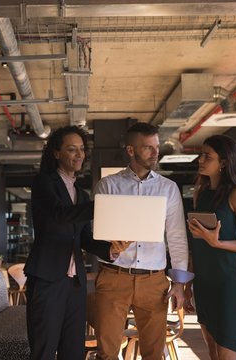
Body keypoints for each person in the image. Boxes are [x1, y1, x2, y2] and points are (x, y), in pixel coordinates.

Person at [24, 125, 125, 360]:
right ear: (56, 153)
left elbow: (84, 238)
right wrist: (104, 205)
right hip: (47, 278)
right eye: (72, 149)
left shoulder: (82, 194)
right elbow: (59, 214)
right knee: (44, 350)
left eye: (81, 149)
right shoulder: (43, 183)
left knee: (73, 351)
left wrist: (109, 249)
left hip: (75, 283)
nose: (79, 154)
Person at [93, 122, 191, 360]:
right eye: (148, 148)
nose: (155, 152)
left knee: (154, 354)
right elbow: (97, 234)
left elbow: (177, 236)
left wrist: (179, 283)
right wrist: (110, 249)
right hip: (113, 278)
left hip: (154, 282)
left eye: (156, 147)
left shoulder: (168, 189)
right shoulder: (108, 185)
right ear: (130, 150)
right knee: (106, 353)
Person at [185, 134, 236, 360]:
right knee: (213, 351)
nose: (201, 160)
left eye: (208, 156)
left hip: (229, 282)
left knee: (226, 352)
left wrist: (218, 243)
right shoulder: (201, 194)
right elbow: (195, 245)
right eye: (201, 155)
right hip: (204, 282)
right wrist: (188, 285)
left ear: (224, 162)